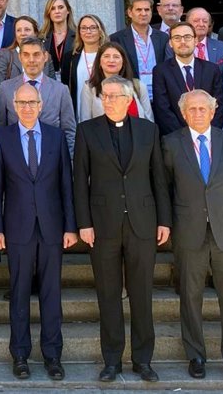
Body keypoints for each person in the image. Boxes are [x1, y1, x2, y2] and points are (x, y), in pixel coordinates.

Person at [73, 75, 171, 382]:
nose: (109, 100)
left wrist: (164, 220)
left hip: (143, 222)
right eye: (105, 95)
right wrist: (83, 223)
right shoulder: (87, 130)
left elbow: (158, 178)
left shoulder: (148, 130)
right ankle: (112, 360)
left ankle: (143, 360)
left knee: (142, 294)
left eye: (115, 95)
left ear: (129, 100)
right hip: (103, 224)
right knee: (108, 294)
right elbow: (79, 181)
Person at [0, 83, 76, 381]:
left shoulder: (56, 136)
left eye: (32, 103)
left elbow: (66, 184)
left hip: (52, 226)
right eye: (21, 103)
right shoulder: (2, 138)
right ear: (14, 106)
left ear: (41, 106)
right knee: (19, 293)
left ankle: (53, 355)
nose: (27, 108)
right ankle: (20, 355)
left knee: (52, 293)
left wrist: (70, 226)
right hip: (17, 227)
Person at [161, 90, 223, 382]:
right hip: (189, 230)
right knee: (190, 295)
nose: (198, 113)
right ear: (183, 113)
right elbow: (167, 186)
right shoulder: (171, 143)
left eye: (203, 109)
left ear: (213, 111)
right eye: (192, 109)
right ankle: (195, 355)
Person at [0, 38, 76, 155]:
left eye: (36, 54)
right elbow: (0, 129)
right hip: (15, 158)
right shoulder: (6, 89)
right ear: (20, 57)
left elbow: (69, 131)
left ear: (45, 57)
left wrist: (69, 161)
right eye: (26, 55)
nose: (31, 60)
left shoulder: (61, 90)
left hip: (51, 158)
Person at [151, 23, 223, 135]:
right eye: (177, 38)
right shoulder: (161, 71)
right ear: (170, 43)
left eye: (187, 37)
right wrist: (184, 136)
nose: (182, 42)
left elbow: (219, 105)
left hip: (208, 136)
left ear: (195, 41)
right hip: (176, 137)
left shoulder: (211, 69)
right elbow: (162, 109)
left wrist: (208, 132)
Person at [110, 0, 169, 101]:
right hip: (132, 95)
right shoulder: (117, 39)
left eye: (147, 10)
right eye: (139, 10)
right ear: (130, 12)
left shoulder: (163, 37)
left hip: (159, 95)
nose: (143, 13)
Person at [79, 42, 152, 120]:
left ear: (123, 61)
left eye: (116, 57)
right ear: (99, 61)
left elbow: (149, 120)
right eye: (106, 56)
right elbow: (85, 120)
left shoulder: (138, 86)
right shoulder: (90, 87)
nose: (111, 60)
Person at [62, 14, 107, 118]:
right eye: (84, 28)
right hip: (78, 112)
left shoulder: (109, 55)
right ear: (79, 32)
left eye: (93, 28)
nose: (88, 31)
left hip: (104, 109)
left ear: (100, 31)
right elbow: (66, 86)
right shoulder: (70, 58)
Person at [0, 15, 50, 91]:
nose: (22, 33)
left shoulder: (46, 56)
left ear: (35, 33)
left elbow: (53, 86)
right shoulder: (5, 55)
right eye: (19, 30)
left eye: (27, 30)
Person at [186, 7, 223, 98]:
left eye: (205, 21)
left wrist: (215, 99)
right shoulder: (179, 47)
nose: (201, 24)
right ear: (187, 23)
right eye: (196, 21)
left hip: (216, 101)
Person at [39, 0, 75, 80]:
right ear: (49, 13)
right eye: (52, 8)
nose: (57, 11)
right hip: (49, 83)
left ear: (68, 11)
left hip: (72, 83)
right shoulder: (41, 38)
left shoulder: (78, 36)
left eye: (61, 7)